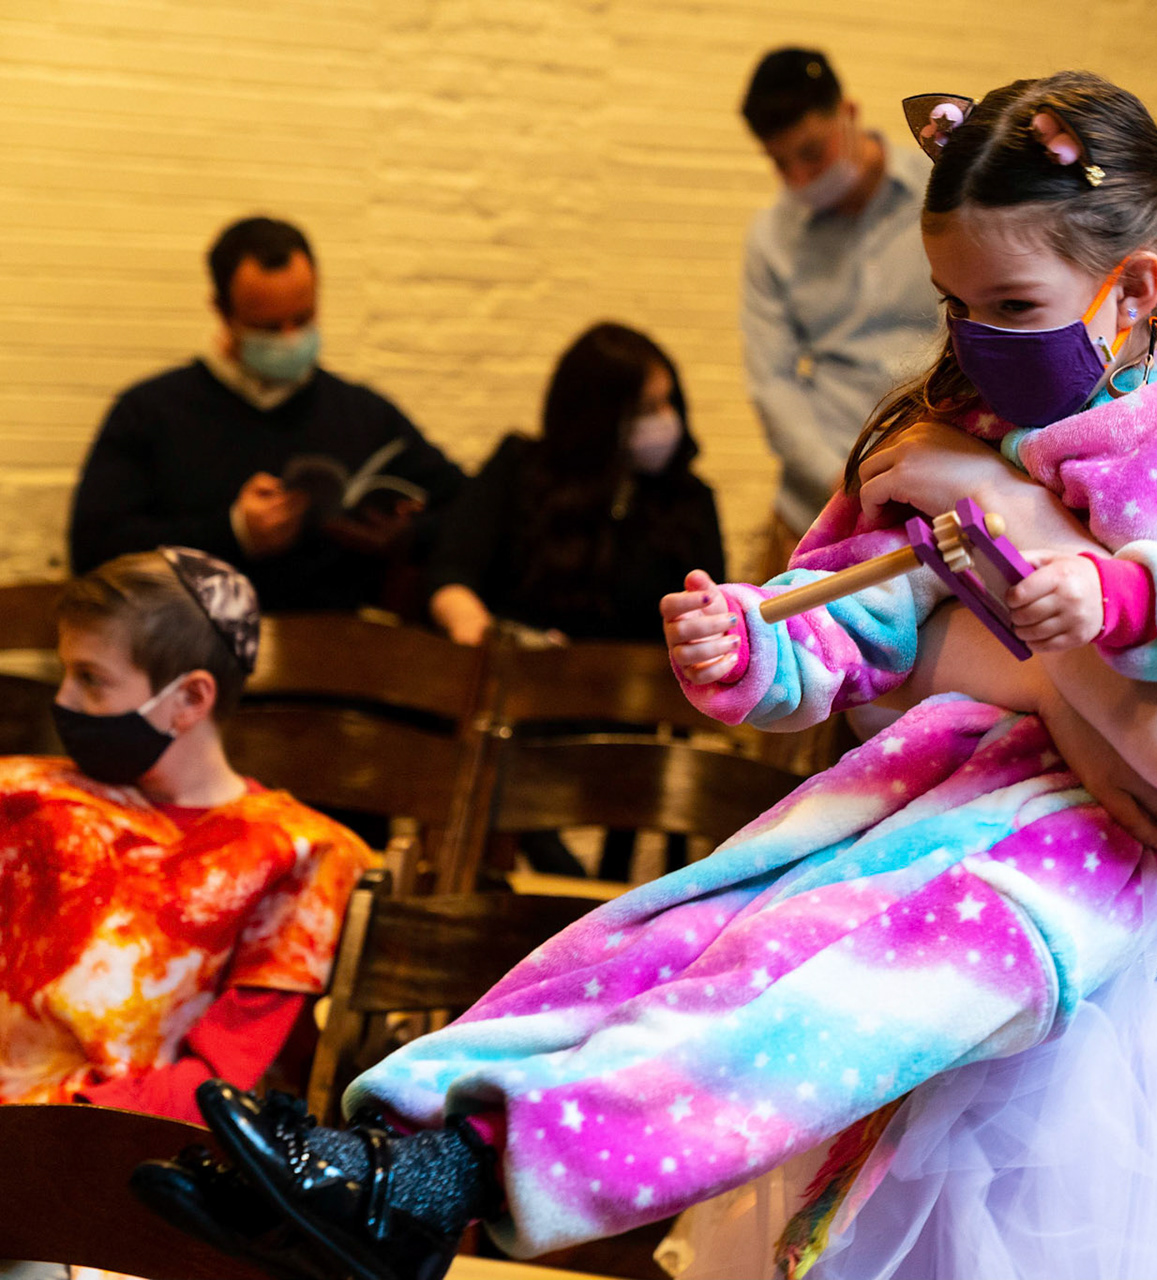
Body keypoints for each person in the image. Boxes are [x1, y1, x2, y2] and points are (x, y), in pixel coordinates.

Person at [137, 209, 1157, 1280]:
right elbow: (925, 671)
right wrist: (981, 579)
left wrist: (1003, 517)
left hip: (1135, 1097)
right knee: (663, 946)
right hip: (932, 987)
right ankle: (392, 1167)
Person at [0, 548, 374, 1122]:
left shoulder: (296, 852)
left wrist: (46, 1128)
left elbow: (215, 1080)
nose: (63, 701)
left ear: (190, 699)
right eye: (64, 672)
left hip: (99, 1146)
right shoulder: (23, 791)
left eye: (90, 679)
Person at [68, 216, 467, 613]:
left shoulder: (363, 413)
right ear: (223, 313)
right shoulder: (151, 411)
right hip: (190, 651)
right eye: (269, 328)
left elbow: (470, 507)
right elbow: (94, 547)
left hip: (338, 656)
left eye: (304, 318)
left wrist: (408, 535)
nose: (291, 338)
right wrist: (233, 531)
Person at [738, 48, 943, 578]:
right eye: (780, 163)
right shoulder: (772, 238)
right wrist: (841, 482)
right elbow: (773, 383)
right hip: (815, 511)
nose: (800, 176)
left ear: (848, 114)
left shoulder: (941, 192)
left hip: (933, 490)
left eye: (812, 151)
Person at [425, 323, 725, 648]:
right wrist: (479, 630)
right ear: (598, 419)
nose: (665, 421)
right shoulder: (520, 469)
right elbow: (452, 572)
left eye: (668, 403)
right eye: (645, 410)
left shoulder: (689, 498)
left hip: (642, 687)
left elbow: (711, 616)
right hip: (521, 677)